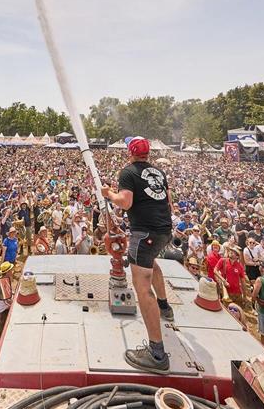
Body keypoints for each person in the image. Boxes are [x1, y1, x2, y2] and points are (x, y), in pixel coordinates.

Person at [102, 136, 174, 373]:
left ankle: (156, 353)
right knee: (151, 264)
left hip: (144, 234)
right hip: (163, 230)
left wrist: (109, 193)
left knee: (142, 288)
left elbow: (125, 202)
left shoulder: (128, 172)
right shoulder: (159, 172)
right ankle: (165, 307)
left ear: (130, 152)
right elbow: (168, 202)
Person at [0, 262, 14, 347]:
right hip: (1, 313)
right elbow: (7, 301)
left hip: (0, 311)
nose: (12, 271)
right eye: (11, 270)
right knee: (0, 335)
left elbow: (8, 293)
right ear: (8, 271)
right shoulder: (3, 283)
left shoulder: (4, 281)